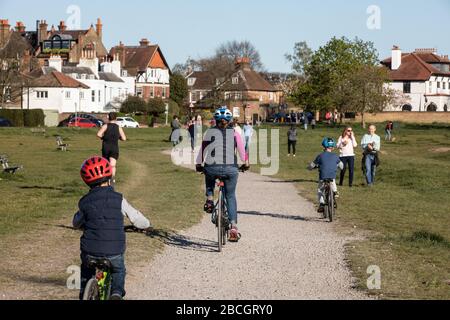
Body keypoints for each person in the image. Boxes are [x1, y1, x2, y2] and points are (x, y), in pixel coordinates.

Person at [73, 157, 152, 300]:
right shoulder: (118, 199)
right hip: (114, 251)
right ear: (109, 177)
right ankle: (116, 293)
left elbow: (76, 222)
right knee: (118, 270)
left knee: (86, 269)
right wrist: (146, 225)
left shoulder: (84, 202)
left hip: (89, 251)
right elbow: (137, 219)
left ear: (86, 181)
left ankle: (84, 291)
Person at [196, 107, 249, 242]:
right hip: (231, 169)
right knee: (230, 195)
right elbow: (243, 153)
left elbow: (202, 151)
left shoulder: (209, 132)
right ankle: (233, 226)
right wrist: (246, 163)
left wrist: (198, 164)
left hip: (212, 167)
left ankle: (209, 199)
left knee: (208, 176)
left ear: (216, 120)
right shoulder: (235, 133)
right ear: (229, 120)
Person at [308, 138, 344, 214]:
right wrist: (337, 166)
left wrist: (310, 168)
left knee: (320, 190)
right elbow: (342, 166)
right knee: (332, 180)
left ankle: (321, 204)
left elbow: (312, 165)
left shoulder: (320, 156)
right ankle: (335, 192)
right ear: (333, 147)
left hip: (323, 176)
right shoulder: (335, 156)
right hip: (332, 175)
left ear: (324, 146)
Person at [97, 113, 127, 181]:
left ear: (108, 118)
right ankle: (112, 179)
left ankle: (105, 179)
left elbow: (98, 134)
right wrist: (119, 138)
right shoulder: (118, 127)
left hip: (106, 148)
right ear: (116, 118)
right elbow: (124, 138)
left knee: (106, 164)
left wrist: (104, 138)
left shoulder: (105, 126)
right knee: (112, 165)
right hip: (114, 148)